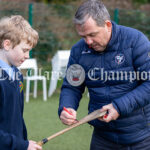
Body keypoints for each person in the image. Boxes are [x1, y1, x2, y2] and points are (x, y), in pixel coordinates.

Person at [58, 0, 150, 149]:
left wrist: (118, 107)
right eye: (83, 36)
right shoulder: (78, 51)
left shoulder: (136, 41)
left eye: (92, 34)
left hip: (141, 138)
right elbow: (72, 87)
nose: (88, 41)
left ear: (107, 25)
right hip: (102, 138)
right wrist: (66, 107)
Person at [0, 15, 42, 150]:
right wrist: (21, 145)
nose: (27, 56)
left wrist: (23, 142)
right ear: (7, 44)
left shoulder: (18, 75)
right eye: (25, 50)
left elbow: (18, 117)